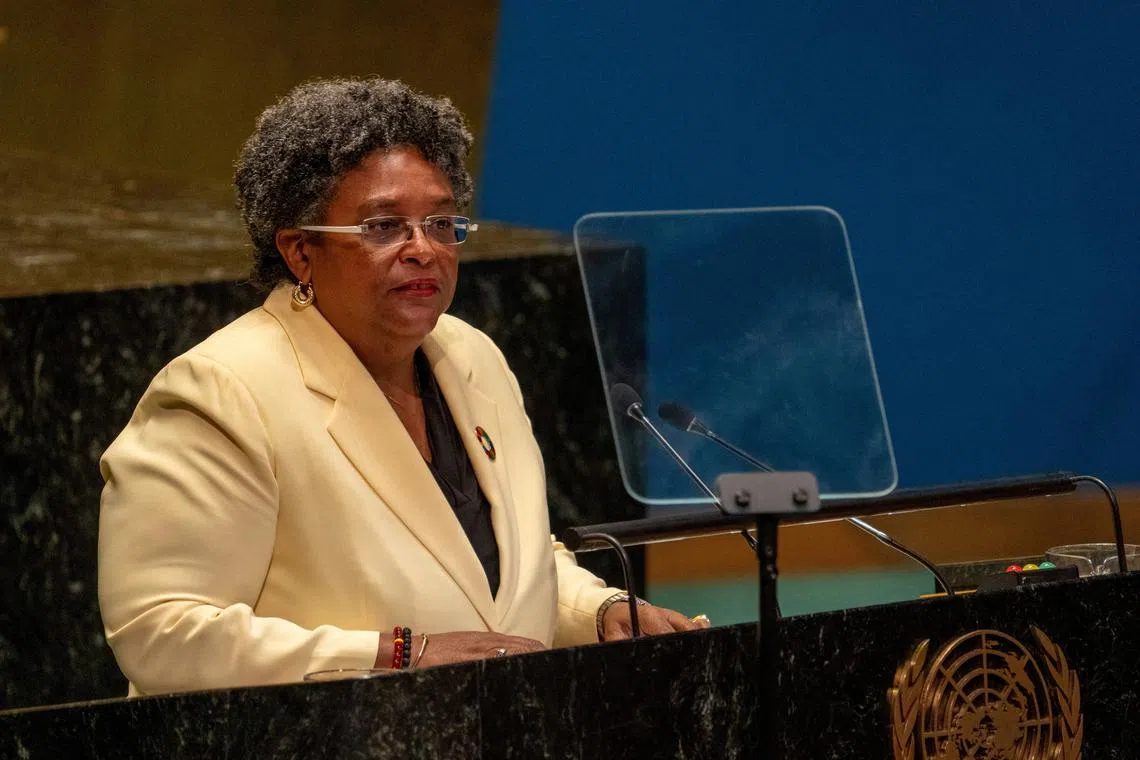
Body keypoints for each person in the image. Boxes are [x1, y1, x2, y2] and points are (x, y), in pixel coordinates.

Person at [98, 77, 705, 696]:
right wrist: (397, 654)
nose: (424, 251)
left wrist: (598, 614)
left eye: (442, 223)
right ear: (300, 251)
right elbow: (162, 634)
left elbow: (494, 564)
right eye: (385, 227)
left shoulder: (474, 357)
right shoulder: (222, 391)